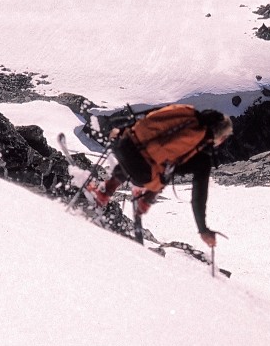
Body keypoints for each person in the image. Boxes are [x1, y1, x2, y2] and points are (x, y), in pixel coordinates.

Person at [86, 105, 233, 248]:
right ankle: (144, 200)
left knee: (144, 153)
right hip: (141, 173)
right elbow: (198, 196)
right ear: (221, 137)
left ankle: (104, 192)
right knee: (166, 166)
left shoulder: (183, 111)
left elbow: (150, 120)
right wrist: (203, 230)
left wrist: (121, 133)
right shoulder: (201, 156)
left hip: (122, 145)